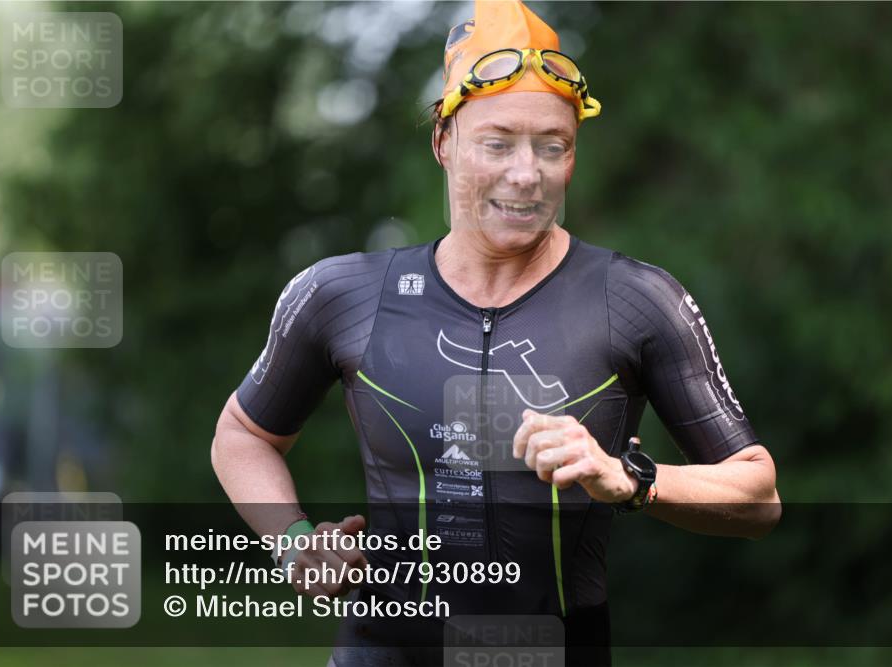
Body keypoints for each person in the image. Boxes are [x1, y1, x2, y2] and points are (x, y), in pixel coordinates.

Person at [211, 1, 781, 665]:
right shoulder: (344, 294)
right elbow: (243, 434)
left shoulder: (634, 299)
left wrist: (628, 476)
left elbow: (759, 493)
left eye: (552, 146)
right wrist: (292, 539)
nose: (526, 173)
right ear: (443, 142)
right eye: (498, 142)